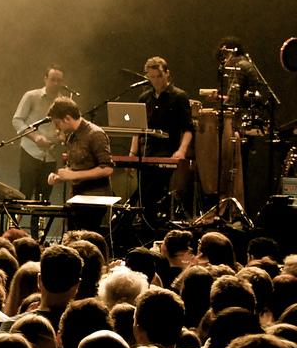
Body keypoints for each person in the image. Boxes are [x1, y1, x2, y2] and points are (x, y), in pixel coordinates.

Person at [128, 57, 194, 218]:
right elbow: (137, 128)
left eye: (159, 76)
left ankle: (150, 226)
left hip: (167, 151)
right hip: (147, 152)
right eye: (152, 77)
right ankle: (145, 228)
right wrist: (132, 154)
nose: (156, 81)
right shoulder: (145, 98)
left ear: (167, 73)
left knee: (152, 192)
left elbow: (188, 128)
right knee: (144, 195)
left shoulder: (178, 96)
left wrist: (181, 151)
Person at [47, 96, 114, 231]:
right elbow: (74, 167)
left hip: (95, 199)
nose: (57, 128)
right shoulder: (71, 136)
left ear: (67, 118)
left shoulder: (95, 134)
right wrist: (60, 177)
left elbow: (107, 168)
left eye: (57, 123)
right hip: (77, 198)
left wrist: (72, 175)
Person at [12, 65, 66, 202]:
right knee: (25, 193)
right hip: (30, 152)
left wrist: (62, 135)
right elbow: (17, 120)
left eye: (59, 80)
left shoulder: (63, 102)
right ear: (45, 79)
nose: (56, 83)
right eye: (53, 79)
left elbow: (66, 126)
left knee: (44, 197)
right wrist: (35, 136)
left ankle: (36, 224)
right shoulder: (31, 96)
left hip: (50, 156)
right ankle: (14, 223)